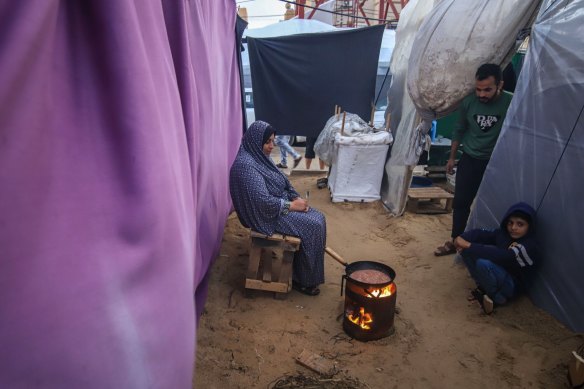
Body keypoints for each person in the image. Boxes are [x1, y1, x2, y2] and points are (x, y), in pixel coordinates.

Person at [229, 121, 326, 296]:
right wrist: (292, 206)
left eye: (273, 141)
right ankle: (303, 281)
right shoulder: (245, 166)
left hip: (276, 206)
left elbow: (282, 180)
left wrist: (294, 195)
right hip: (263, 215)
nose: (271, 146)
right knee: (313, 226)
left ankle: (303, 272)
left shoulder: (259, 157)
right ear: (255, 141)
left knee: (319, 218)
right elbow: (261, 202)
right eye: (268, 142)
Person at [435, 63, 513, 256]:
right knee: (461, 203)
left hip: (496, 163)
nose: (482, 95)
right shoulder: (469, 102)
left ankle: (495, 246)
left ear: (499, 85)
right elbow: (459, 129)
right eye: (478, 89)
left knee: (494, 204)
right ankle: (456, 241)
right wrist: (452, 158)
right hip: (470, 158)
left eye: (487, 89)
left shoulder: (511, 102)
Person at [454, 202, 537, 314]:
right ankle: (483, 288)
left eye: (520, 224)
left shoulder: (530, 246)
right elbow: (482, 233)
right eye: (510, 223)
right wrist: (461, 238)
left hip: (512, 285)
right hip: (499, 274)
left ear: (529, 226)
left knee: (483, 263)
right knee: (465, 250)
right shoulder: (504, 234)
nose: (513, 227)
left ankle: (497, 298)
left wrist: (469, 245)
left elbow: (504, 256)